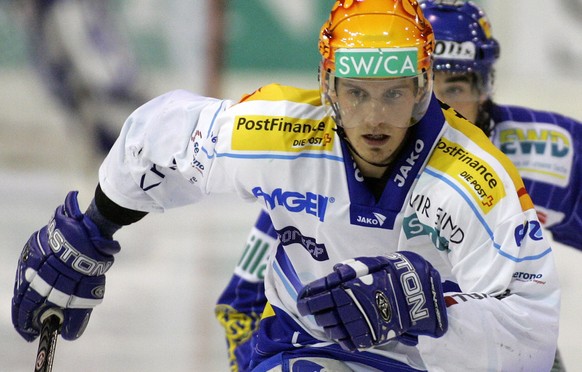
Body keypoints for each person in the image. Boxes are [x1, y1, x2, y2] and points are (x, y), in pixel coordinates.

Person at [12, 0, 560, 370]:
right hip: (300, 347)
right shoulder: (279, 132)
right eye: (356, 93)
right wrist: (95, 228)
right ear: (328, 89)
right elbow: (161, 135)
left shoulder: (478, 178)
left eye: (393, 94)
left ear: (421, 92)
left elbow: (533, 334)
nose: (374, 119)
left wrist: (431, 309)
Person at [215, 1, 577, 371]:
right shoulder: (321, 168)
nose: (439, 104)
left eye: (455, 86)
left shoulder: (548, 156)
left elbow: (525, 329)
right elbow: (242, 304)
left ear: (484, 88)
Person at [19, 0, 148, 155]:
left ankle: (158, 125)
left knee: (109, 78)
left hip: (71, 8)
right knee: (65, 86)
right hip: (42, 14)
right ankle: (103, 148)